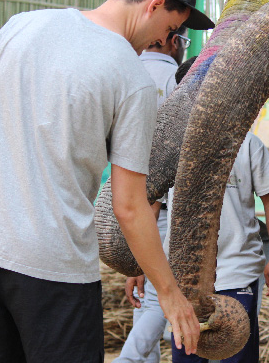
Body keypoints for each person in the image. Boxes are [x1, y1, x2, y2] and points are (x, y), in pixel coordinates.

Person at [0, 0, 214, 361]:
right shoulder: (130, 78)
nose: (166, 41)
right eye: (172, 31)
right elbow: (130, 205)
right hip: (55, 269)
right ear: (154, 5)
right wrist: (171, 296)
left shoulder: (20, 26)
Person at [116, 131, 269, 363]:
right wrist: (137, 266)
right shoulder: (174, 144)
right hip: (185, 279)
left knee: (238, 357)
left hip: (238, 272)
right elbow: (151, 209)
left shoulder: (248, 143)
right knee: (188, 356)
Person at [114, 50, 192, 363]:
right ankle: (128, 360)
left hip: (148, 208)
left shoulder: (130, 70)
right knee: (162, 296)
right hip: (166, 216)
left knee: (152, 295)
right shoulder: (183, 121)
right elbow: (155, 192)